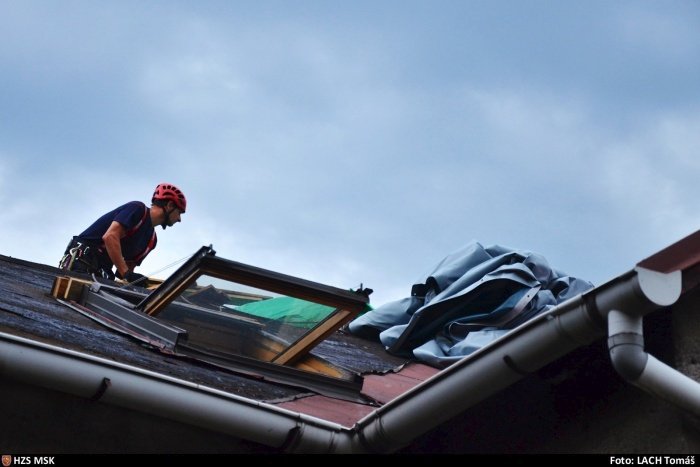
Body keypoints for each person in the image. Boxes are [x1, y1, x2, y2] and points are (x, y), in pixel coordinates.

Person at [59, 183, 186, 285]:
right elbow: (110, 237)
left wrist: (139, 281)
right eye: (179, 212)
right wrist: (126, 273)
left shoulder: (151, 241)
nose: (179, 219)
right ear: (169, 205)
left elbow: (126, 272)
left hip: (103, 271)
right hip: (83, 260)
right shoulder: (138, 209)